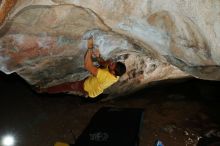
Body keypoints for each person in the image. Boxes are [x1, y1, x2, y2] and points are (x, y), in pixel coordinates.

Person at [38, 37, 126, 98]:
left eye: (112, 65)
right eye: (114, 63)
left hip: (88, 88)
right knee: (103, 65)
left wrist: (90, 49)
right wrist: (98, 56)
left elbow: (87, 65)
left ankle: (45, 90)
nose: (112, 63)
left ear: (113, 72)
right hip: (94, 82)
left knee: (67, 86)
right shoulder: (116, 73)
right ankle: (87, 89)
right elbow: (103, 64)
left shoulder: (106, 76)